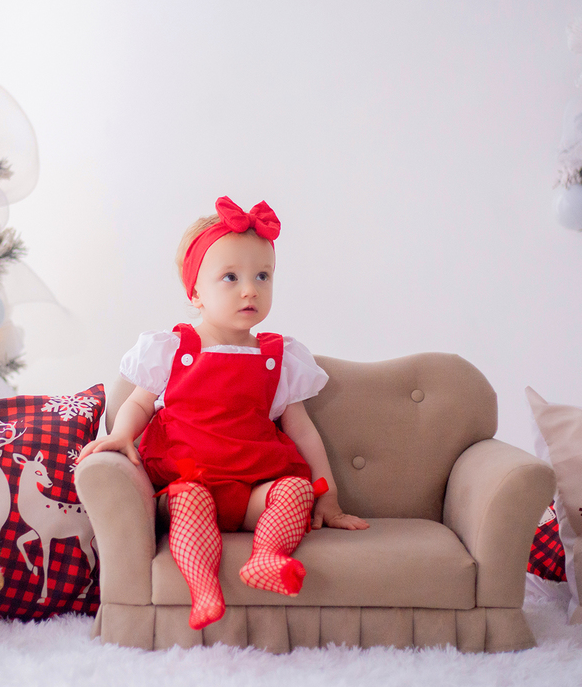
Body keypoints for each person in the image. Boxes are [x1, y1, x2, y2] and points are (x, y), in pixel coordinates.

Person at [76, 196, 368, 630]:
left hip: (255, 489)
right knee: (188, 501)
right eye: (230, 277)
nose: (250, 289)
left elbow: (302, 432)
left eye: (262, 276)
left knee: (295, 491)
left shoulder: (278, 356)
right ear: (195, 292)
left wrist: (329, 495)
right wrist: (121, 435)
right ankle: (203, 586)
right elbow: (139, 402)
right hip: (192, 478)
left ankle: (267, 557)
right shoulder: (173, 349)